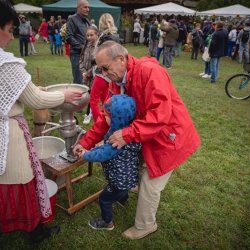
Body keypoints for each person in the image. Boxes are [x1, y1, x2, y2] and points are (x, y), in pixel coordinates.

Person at [0, 0, 83, 249]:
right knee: (23, 182)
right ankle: (35, 232)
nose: (11, 37)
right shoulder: (4, 63)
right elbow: (36, 99)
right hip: (5, 140)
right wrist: (64, 96)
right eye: (10, 30)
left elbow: (0, 92)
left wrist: (27, 90)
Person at [73, 41, 201, 240]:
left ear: (121, 60)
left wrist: (127, 134)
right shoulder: (116, 81)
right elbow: (106, 118)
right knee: (141, 169)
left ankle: (145, 225)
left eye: (105, 68)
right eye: (100, 70)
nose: (104, 73)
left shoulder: (150, 72)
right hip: (145, 136)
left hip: (168, 137)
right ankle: (133, 187)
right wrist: (85, 143)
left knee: (151, 183)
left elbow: (160, 115)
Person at [79, 95, 141, 230]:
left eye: (107, 115)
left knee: (104, 199)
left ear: (116, 118)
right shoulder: (128, 133)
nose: (104, 116)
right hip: (128, 177)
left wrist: (86, 154)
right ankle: (122, 199)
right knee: (122, 189)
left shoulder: (116, 141)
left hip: (118, 181)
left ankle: (107, 222)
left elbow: (101, 154)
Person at [89, 13, 120, 123]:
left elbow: (102, 57)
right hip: (109, 73)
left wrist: (93, 61)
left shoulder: (105, 37)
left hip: (102, 73)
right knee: (105, 99)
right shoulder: (115, 36)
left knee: (93, 100)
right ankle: (107, 120)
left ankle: (99, 124)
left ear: (101, 23)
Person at [66, 0, 90, 84]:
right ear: (79, 8)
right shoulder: (72, 18)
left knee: (86, 79)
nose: (88, 9)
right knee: (78, 80)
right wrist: (82, 48)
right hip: (76, 54)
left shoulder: (87, 21)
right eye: (85, 7)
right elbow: (69, 36)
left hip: (86, 55)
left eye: (88, 7)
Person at [79, 26, 99, 124]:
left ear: (97, 35)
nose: (89, 37)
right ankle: (89, 112)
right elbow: (81, 60)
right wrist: (83, 71)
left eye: (91, 35)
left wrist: (88, 73)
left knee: (92, 96)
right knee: (87, 94)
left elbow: (97, 64)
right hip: (85, 76)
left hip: (94, 77)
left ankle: (88, 114)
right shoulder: (86, 46)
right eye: (87, 35)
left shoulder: (98, 48)